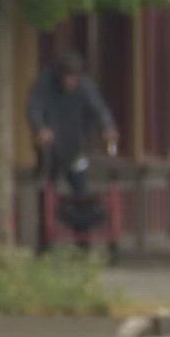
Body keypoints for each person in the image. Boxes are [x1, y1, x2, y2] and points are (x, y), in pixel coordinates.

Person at [26, 50, 118, 247]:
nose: (71, 83)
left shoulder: (85, 87)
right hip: (50, 150)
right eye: (68, 78)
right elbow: (34, 106)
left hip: (75, 147)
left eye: (74, 78)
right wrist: (40, 128)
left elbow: (98, 109)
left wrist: (108, 128)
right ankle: (45, 241)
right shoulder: (45, 84)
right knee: (46, 193)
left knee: (81, 193)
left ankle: (83, 241)